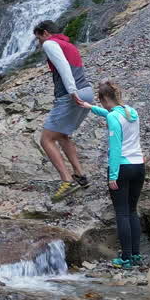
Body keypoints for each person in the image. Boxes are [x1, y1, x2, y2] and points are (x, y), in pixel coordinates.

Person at [75, 80, 145, 268]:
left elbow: (115, 148)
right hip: (139, 165)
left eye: (102, 101)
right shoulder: (131, 111)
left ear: (106, 98)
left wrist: (113, 175)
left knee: (121, 213)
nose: (103, 104)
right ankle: (136, 256)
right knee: (132, 211)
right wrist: (91, 107)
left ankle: (125, 259)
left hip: (122, 167)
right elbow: (111, 114)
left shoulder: (114, 117)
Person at [32, 20, 94, 202]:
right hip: (87, 91)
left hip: (70, 94)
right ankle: (80, 175)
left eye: (38, 38)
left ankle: (67, 181)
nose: (39, 44)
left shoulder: (51, 43)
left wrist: (72, 91)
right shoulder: (68, 44)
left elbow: (64, 68)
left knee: (46, 139)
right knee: (62, 134)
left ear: (44, 33)